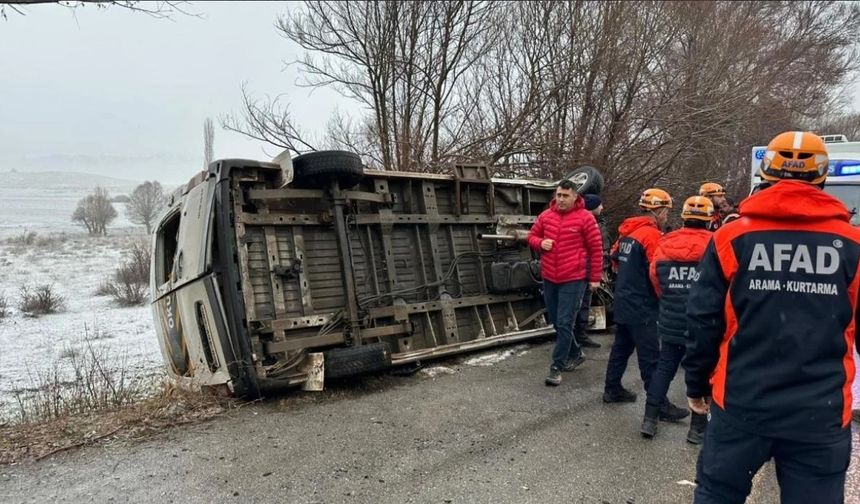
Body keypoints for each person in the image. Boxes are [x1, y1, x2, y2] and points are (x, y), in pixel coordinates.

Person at [684, 131, 860, 503]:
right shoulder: (852, 245)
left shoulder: (730, 238)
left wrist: (696, 384)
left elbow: (703, 320)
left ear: (767, 173)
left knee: (718, 494)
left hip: (742, 402)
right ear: (822, 176)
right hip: (820, 411)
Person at [602, 188, 688, 421]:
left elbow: (613, 259)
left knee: (621, 348)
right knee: (651, 356)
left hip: (624, 299)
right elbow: (656, 270)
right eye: (666, 212)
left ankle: (612, 389)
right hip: (643, 304)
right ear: (658, 211)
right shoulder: (650, 235)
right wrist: (665, 295)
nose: (667, 217)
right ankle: (658, 405)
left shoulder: (627, 232)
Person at [639, 196, 713, 441]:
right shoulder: (716, 244)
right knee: (703, 372)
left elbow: (655, 279)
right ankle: (697, 428)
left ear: (682, 217)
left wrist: (669, 300)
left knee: (665, 367)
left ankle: (649, 419)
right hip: (704, 323)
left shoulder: (665, 242)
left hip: (671, 317)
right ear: (710, 219)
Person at [527, 179, 604, 386]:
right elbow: (532, 236)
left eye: (565, 196)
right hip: (550, 276)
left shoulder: (586, 219)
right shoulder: (546, 216)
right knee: (555, 320)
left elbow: (596, 250)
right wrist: (540, 243)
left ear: (575, 197)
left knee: (564, 322)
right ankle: (576, 351)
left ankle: (556, 367)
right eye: (558, 195)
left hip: (574, 278)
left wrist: (595, 278)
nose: (560, 199)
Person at [573, 193, 610, 349]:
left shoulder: (596, 221)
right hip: (582, 271)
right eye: (599, 205)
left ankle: (581, 336)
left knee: (584, 304)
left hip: (589, 269)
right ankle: (576, 338)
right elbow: (595, 250)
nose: (602, 207)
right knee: (579, 305)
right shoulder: (587, 223)